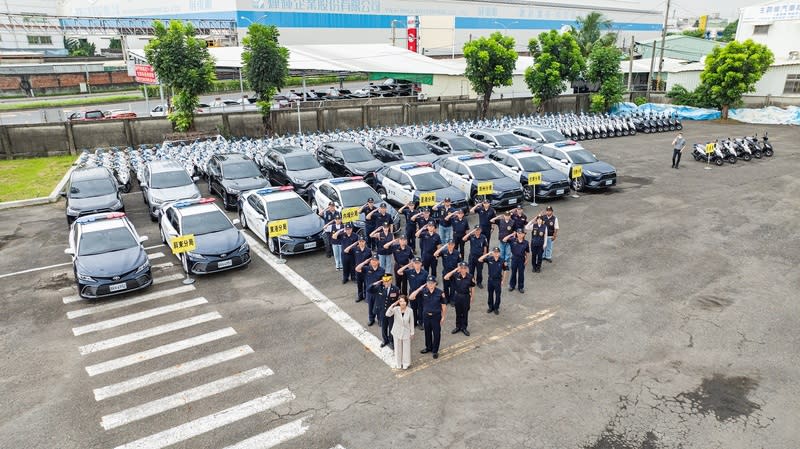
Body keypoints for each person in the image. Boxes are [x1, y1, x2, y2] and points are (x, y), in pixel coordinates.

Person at [409, 276, 447, 359]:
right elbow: (411, 297)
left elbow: (443, 306)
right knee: (427, 332)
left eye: (432, 283)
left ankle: (435, 350)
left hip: (436, 317)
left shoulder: (440, 293)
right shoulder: (423, 291)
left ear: (435, 284)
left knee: (436, 334)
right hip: (426, 316)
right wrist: (419, 288)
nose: (430, 284)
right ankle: (428, 347)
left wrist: (443, 317)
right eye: (429, 283)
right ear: (426, 283)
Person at [443, 262, 476, 336]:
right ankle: (458, 327)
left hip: (466, 296)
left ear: (467, 269)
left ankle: (464, 327)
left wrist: (472, 296)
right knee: (458, 312)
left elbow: (472, 286)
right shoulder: (455, 275)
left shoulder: (470, 276)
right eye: (461, 268)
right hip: (457, 296)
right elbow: (445, 277)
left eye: (464, 268)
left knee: (465, 312)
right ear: (459, 268)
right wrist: (455, 270)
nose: (463, 269)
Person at [369, 274, 400, 348]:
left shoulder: (395, 289)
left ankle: (391, 341)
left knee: (391, 327)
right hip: (382, 312)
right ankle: (385, 340)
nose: (386, 283)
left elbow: (398, 300)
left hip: (391, 312)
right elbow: (369, 290)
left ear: (391, 280)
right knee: (383, 327)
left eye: (388, 281)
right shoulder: (379, 288)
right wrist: (375, 283)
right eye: (384, 281)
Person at [397, 257, 428, 329]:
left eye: (418, 263)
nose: (417, 265)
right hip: (412, 293)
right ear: (413, 264)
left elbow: (427, 284)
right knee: (413, 308)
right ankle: (414, 322)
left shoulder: (425, 273)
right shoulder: (409, 272)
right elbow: (399, 272)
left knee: (421, 308)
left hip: (421, 293)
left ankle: (421, 322)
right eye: (415, 263)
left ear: (421, 264)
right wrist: (408, 265)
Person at [386, 296, 415, 369]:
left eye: (404, 301)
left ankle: (406, 363)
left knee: (406, 349)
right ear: (398, 302)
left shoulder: (410, 310)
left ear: (406, 302)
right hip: (397, 331)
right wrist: (392, 305)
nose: (402, 303)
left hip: (406, 332)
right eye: (400, 301)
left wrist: (412, 333)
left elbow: (411, 322)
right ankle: (398, 363)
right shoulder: (396, 309)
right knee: (397, 348)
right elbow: (387, 314)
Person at [356, 255, 385, 326]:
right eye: (372, 260)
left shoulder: (382, 270)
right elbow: (357, 269)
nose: (373, 262)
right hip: (369, 292)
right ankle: (371, 319)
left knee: (378, 306)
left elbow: (383, 281)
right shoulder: (366, 268)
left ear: (378, 261)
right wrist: (364, 262)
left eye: (375, 260)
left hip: (378, 292)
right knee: (370, 306)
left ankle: (379, 320)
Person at [479, 247, 508, 314]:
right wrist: (488, 253)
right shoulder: (489, 259)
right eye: (494, 252)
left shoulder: (502, 261)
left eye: (497, 252)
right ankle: (490, 307)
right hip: (490, 280)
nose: (496, 253)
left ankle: (496, 308)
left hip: (498, 281)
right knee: (490, 294)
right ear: (493, 253)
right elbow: (480, 259)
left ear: (499, 253)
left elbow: (505, 270)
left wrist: (503, 280)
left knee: (498, 295)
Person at [504, 228, 530, 293]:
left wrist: (527, 260)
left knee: (521, 274)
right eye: (518, 233)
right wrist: (511, 234)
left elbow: (527, 252)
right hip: (514, 258)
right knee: (513, 273)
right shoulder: (513, 240)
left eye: (521, 233)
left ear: (524, 234)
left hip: (521, 259)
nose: (520, 235)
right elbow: (504, 240)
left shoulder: (526, 243)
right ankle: (512, 286)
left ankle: (521, 287)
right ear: (517, 234)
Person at [463, 225, 488, 289]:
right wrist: (471, 232)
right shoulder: (471, 236)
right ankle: (471, 282)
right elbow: (464, 239)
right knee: (471, 270)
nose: (477, 231)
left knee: (479, 271)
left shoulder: (483, 237)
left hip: (480, 257)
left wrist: (484, 256)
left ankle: (479, 282)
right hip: (472, 256)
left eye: (479, 230)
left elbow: (485, 246)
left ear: (481, 230)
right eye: (476, 230)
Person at [350, 236, 371, 302]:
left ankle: (365, 296)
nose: (361, 243)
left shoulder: (368, 250)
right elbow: (346, 251)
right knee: (359, 284)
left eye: (363, 241)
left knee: (365, 283)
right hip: (358, 269)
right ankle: (360, 296)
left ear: (365, 242)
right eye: (360, 241)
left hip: (365, 269)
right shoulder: (355, 249)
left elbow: (371, 260)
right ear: (358, 242)